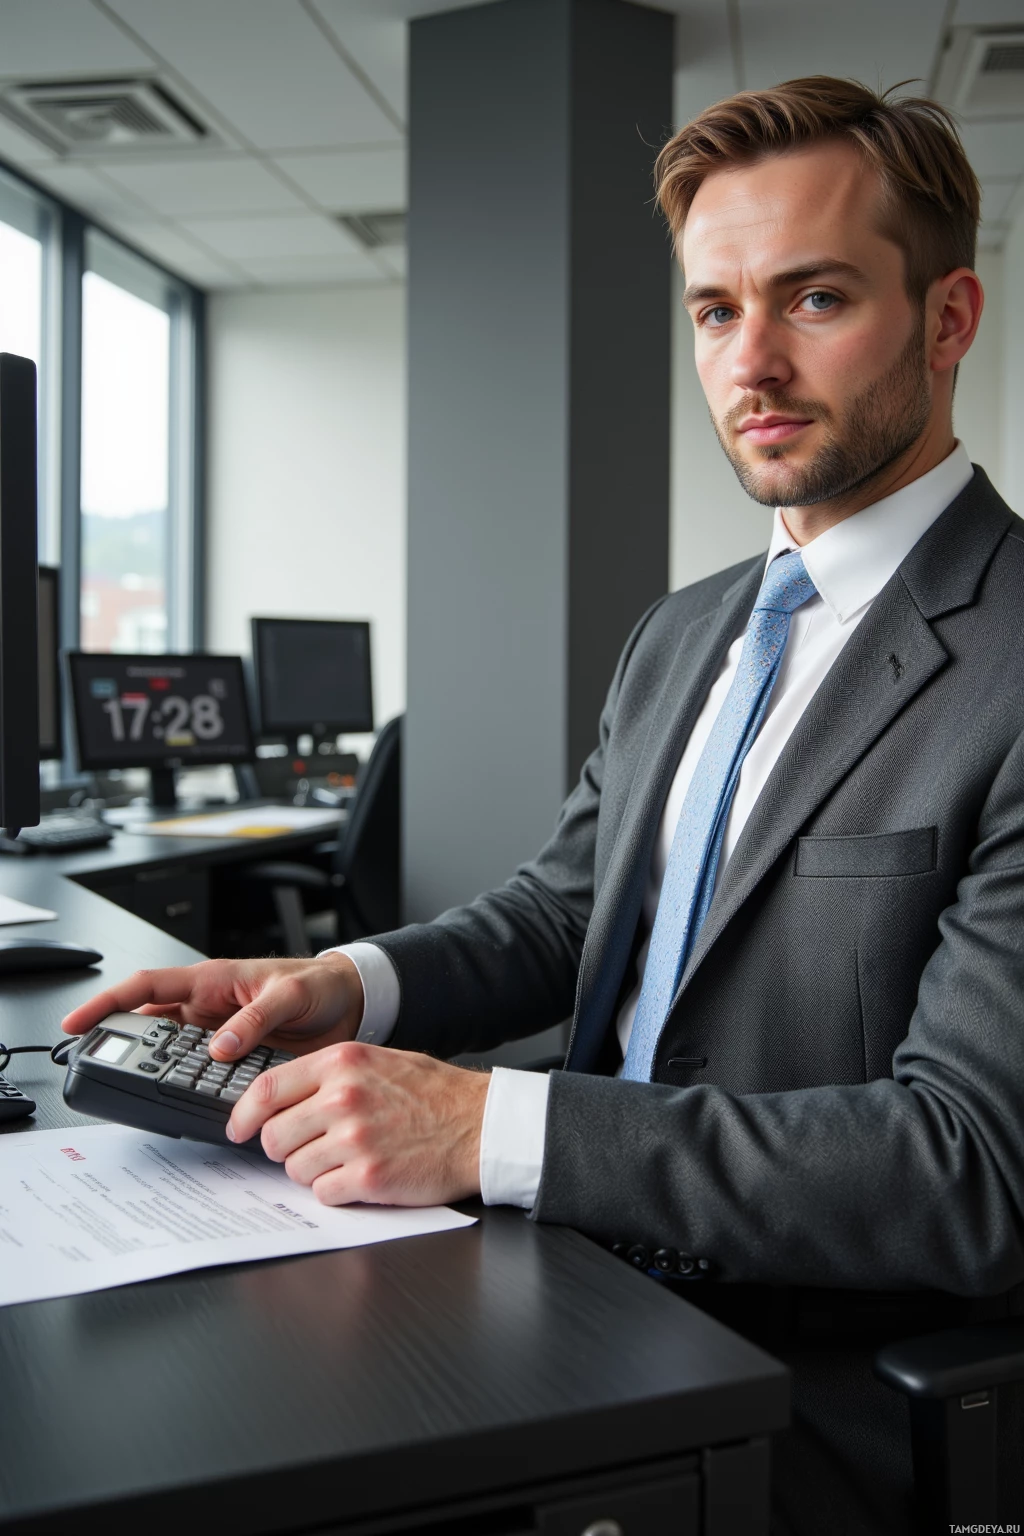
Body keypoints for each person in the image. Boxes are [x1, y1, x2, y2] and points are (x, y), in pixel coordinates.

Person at [63, 78, 1024, 1534]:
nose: (750, 362)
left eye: (814, 298)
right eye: (714, 310)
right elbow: (568, 914)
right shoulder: (689, 633)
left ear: (947, 319)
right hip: (575, 1272)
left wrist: (490, 1130)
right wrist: (341, 985)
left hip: (801, 1371)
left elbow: (969, 1168)